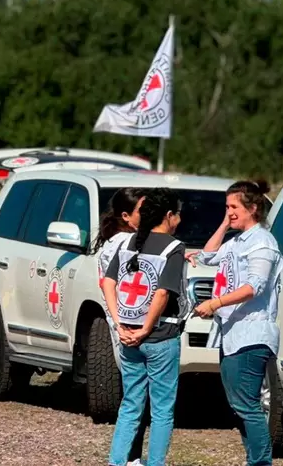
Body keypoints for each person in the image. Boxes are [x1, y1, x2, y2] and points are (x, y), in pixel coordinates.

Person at [189, 180, 283, 466]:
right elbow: (206, 256)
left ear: (253, 209)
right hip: (232, 334)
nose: (229, 212)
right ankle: (253, 458)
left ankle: (260, 462)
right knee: (239, 405)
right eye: (226, 207)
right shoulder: (237, 241)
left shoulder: (262, 244)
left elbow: (254, 286)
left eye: (234, 207)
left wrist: (215, 303)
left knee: (247, 405)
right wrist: (224, 223)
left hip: (252, 333)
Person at [103, 188, 187, 466]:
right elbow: (162, 293)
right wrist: (146, 328)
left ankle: (117, 461)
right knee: (162, 410)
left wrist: (119, 324)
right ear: (168, 216)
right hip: (160, 335)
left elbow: (107, 283)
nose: (180, 218)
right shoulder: (173, 247)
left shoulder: (128, 243)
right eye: (178, 212)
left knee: (130, 404)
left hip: (128, 335)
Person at [93, 188, 148, 466]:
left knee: (133, 392)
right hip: (130, 325)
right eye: (143, 210)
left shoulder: (110, 243)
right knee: (136, 396)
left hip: (119, 322)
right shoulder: (128, 243)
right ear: (126, 216)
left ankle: (129, 457)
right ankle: (129, 458)